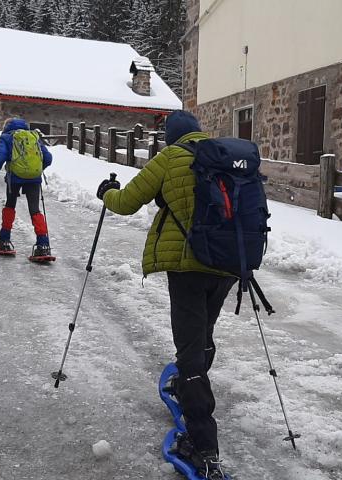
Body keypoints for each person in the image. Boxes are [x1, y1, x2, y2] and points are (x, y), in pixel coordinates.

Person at [96, 111, 236, 480]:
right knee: (202, 335)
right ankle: (192, 384)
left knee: (189, 351)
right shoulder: (225, 157)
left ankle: (204, 447)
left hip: (188, 266)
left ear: (172, 137)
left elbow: (127, 202)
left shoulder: (171, 157)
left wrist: (106, 192)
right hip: (228, 264)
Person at [0, 118, 53, 256]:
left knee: (10, 205)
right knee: (35, 210)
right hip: (34, 179)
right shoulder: (34, 137)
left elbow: (0, 157)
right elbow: (48, 158)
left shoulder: (6, 137)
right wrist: (37, 170)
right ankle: (43, 245)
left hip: (14, 178)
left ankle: (4, 241)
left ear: (6, 126)